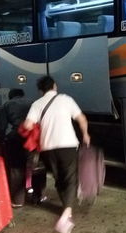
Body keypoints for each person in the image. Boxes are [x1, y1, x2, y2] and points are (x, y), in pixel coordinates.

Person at [23, 76, 90, 233]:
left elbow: (27, 125)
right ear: (55, 86)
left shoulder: (36, 104)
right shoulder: (65, 99)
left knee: (59, 178)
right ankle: (67, 212)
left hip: (47, 147)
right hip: (67, 144)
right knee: (71, 177)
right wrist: (85, 134)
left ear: (41, 90)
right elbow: (82, 118)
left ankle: (66, 208)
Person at [0, 88, 33, 207]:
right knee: (36, 166)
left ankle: (18, 200)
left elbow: (1, 127)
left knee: (17, 169)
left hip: (17, 138)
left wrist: (1, 140)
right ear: (22, 95)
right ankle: (38, 196)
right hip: (34, 138)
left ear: (10, 97)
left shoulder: (6, 105)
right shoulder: (32, 103)